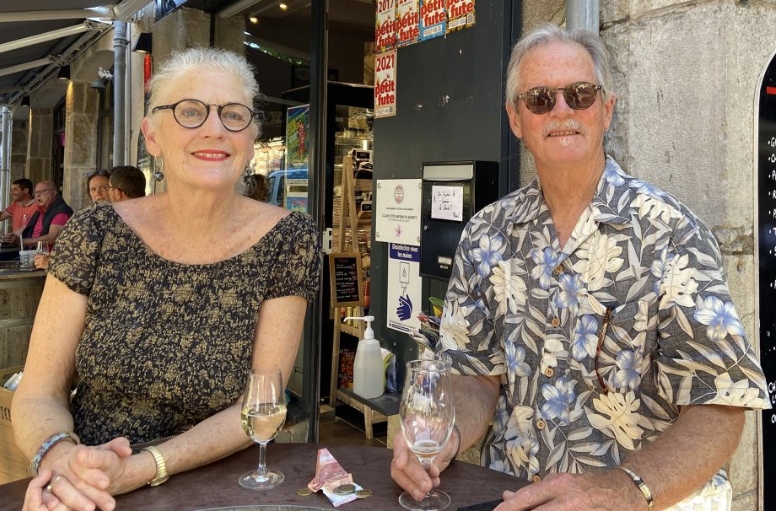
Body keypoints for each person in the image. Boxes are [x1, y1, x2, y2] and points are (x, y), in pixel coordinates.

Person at [390, 24, 770, 511]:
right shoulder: (487, 234)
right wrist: (445, 434)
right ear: (515, 118)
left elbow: (718, 406)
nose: (562, 110)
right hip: (509, 496)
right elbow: (474, 376)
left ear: (606, 109)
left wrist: (622, 489)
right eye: (541, 98)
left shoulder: (671, 233)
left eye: (580, 94)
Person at [16, 46, 321, 511]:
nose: (215, 129)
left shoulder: (288, 239)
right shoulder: (95, 232)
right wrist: (61, 457)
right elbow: (40, 391)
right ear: (152, 136)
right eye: (190, 111)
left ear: (252, 137)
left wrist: (141, 468)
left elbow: (259, 404)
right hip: (91, 483)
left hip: (219, 488)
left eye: (234, 115)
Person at [5, 181, 73, 249]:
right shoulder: (39, 211)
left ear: (54, 193)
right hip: (31, 252)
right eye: (36, 192)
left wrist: (21, 241)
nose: (38, 195)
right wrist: (10, 237)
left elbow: (52, 238)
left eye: (42, 191)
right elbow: (25, 227)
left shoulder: (61, 211)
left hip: (49, 256)